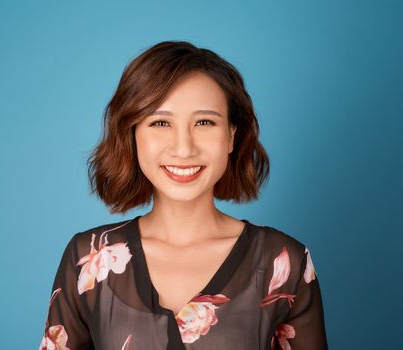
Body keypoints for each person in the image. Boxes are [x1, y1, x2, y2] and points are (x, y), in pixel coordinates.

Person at [39, 40, 329, 350]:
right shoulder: (86, 260)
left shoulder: (284, 262)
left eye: (204, 122)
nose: (183, 148)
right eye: (160, 122)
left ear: (232, 134)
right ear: (132, 134)